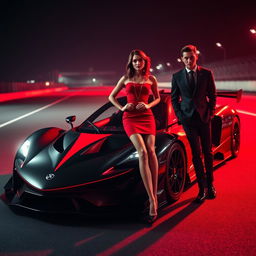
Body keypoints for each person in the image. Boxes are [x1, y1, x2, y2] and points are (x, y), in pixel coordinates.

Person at [108, 49, 160, 222]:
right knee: (143, 153)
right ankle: (152, 200)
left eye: (140, 61)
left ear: (145, 62)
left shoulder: (151, 79)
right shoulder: (125, 79)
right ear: (131, 63)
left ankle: (155, 194)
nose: (138, 63)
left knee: (151, 152)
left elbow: (157, 98)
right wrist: (122, 108)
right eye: (135, 61)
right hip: (130, 118)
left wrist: (148, 106)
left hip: (146, 116)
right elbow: (111, 96)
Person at [171, 44, 217, 203]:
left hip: (204, 118)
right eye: (186, 58)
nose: (189, 60)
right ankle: (201, 189)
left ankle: (210, 185)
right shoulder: (177, 76)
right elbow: (174, 99)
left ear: (196, 57)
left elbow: (212, 95)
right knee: (196, 154)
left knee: (208, 152)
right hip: (188, 120)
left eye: (191, 57)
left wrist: (210, 113)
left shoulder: (206, 73)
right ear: (182, 59)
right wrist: (180, 115)